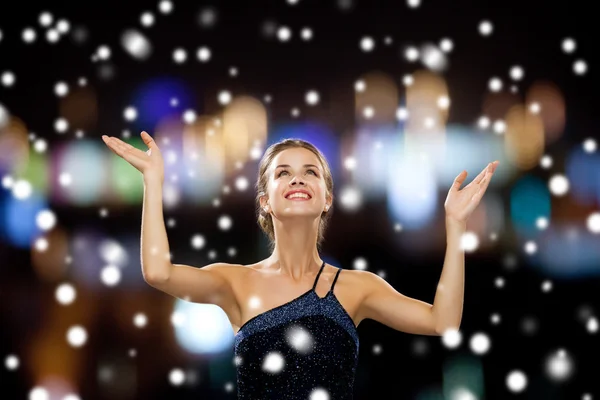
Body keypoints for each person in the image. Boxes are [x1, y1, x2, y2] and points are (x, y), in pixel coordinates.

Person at [102, 132, 498, 399]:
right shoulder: (236, 282)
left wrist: (455, 225)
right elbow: (158, 272)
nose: (298, 179)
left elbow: (442, 322)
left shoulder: (355, 287)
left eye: (310, 172)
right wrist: (153, 182)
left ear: (327, 198)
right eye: (283, 172)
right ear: (265, 200)